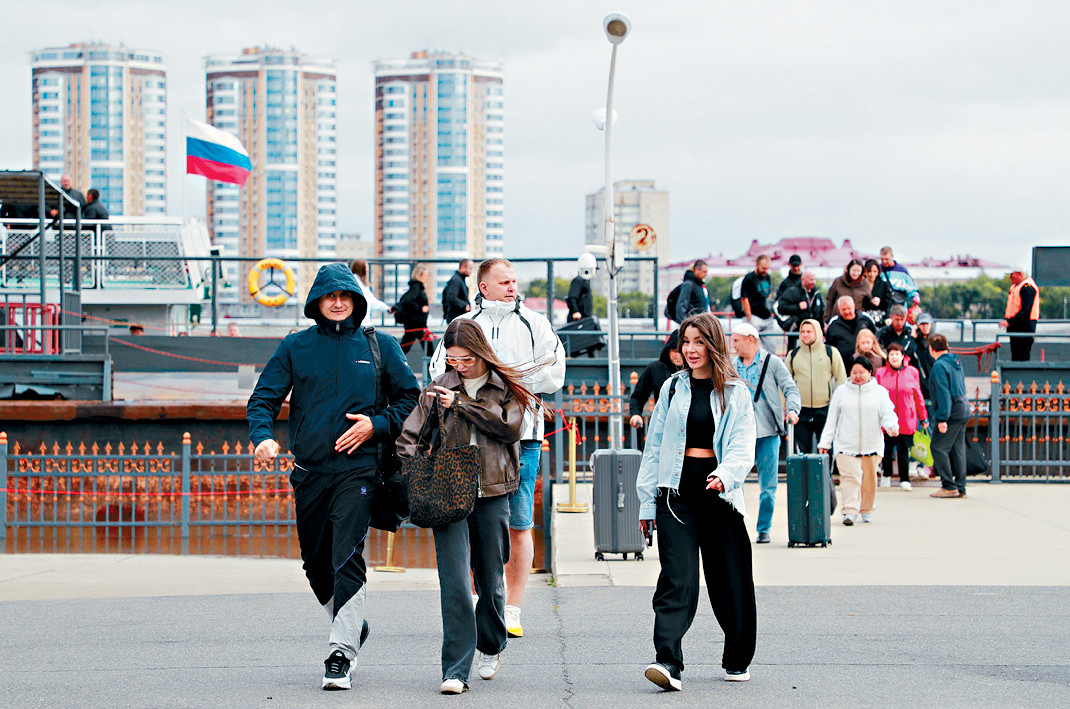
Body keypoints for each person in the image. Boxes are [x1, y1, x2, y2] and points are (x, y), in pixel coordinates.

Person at [247, 263, 420, 690]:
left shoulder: (380, 345)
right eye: (330, 297)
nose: (338, 303)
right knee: (315, 564)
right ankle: (351, 622)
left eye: (345, 297)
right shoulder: (295, 347)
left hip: (359, 471)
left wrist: (375, 425)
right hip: (309, 473)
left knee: (347, 555)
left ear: (357, 302)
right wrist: (262, 438)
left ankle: (340, 653)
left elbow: (411, 400)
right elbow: (263, 399)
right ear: (317, 303)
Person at [396, 319, 537, 695]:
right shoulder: (439, 386)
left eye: (467, 359)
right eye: (454, 360)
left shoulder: (503, 386)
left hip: (492, 491)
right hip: (446, 490)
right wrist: (412, 470)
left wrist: (461, 404)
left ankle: (491, 644)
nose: (461, 366)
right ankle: (455, 668)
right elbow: (410, 434)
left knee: (490, 578)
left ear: (481, 353)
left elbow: (509, 429)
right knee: (455, 581)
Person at [428, 257, 566, 639]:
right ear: (483, 286)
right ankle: (481, 600)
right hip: (469, 441)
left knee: (519, 523)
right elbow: (441, 370)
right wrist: (515, 376)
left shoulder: (536, 323)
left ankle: (512, 607)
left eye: (515, 281)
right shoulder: (464, 325)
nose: (512, 287)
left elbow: (556, 372)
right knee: (475, 525)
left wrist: (501, 377)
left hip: (524, 437)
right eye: (504, 282)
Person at [636, 313, 757, 690]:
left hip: (720, 495)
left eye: (699, 341)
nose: (690, 349)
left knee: (730, 581)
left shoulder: (736, 392)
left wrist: (727, 474)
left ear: (714, 344)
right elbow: (654, 448)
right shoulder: (672, 388)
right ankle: (668, 661)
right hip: (676, 495)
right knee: (678, 578)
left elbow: (742, 443)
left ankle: (737, 658)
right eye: (686, 341)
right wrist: (646, 503)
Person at [731, 322, 800, 544]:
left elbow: (790, 388)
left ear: (751, 339)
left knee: (768, 486)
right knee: (733, 482)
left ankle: (763, 528)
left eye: (737, 341)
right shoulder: (732, 366)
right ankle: (736, 525)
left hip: (767, 431)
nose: (734, 346)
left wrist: (792, 409)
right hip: (740, 433)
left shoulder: (772, 363)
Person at [818, 356, 899, 525]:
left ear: (870, 372)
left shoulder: (879, 392)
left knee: (869, 480)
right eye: (854, 372)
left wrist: (892, 426)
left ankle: (867, 509)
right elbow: (832, 418)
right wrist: (825, 442)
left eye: (862, 372)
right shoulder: (841, 392)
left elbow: (887, 413)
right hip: (846, 445)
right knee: (850, 479)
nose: (858, 376)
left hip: (872, 445)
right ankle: (849, 510)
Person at [786, 319, 847, 454]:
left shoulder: (831, 352)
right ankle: (803, 475)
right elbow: (784, 383)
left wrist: (838, 404)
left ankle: (826, 476)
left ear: (817, 333)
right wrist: (785, 406)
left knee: (825, 451)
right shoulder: (793, 354)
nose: (805, 335)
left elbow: (841, 379)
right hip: (800, 411)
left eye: (809, 331)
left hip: (825, 409)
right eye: (802, 332)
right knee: (801, 452)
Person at [875, 343, 928, 490]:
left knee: (904, 449)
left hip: (906, 417)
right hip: (887, 418)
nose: (894, 357)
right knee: (886, 448)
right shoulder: (880, 372)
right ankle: (886, 475)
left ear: (903, 356)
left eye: (897, 354)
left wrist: (923, 417)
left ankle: (905, 479)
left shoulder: (912, 372)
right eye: (891, 354)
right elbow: (876, 395)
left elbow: (918, 395)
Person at [927, 334, 969, 499]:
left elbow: (943, 393)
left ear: (931, 349)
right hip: (962, 408)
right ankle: (961, 486)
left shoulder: (939, 366)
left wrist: (942, 418)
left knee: (938, 447)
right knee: (958, 449)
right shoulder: (955, 362)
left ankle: (948, 485)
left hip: (951, 411)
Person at [629, 330, 683, 428]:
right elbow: (639, 396)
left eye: (681, 351)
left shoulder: (696, 370)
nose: (678, 356)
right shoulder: (655, 369)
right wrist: (636, 414)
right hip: (663, 424)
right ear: (668, 350)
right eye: (674, 351)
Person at [775, 270, 824, 350]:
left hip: (813, 334)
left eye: (814, 279)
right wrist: (797, 307)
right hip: (796, 332)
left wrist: (822, 330)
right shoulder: (792, 292)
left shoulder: (817, 294)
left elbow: (821, 314)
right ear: (803, 279)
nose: (813, 282)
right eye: (811, 279)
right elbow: (781, 308)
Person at [1000, 265, 1040, 362]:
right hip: (1016, 328)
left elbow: (1026, 311)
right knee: (1016, 356)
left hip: (1024, 329)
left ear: (1019, 274)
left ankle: (1023, 377)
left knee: (1022, 357)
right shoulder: (1016, 287)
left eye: (1011, 275)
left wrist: (1009, 321)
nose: (1010, 277)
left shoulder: (1027, 287)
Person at [740, 254, 779, 351]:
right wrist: (750, 317)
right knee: (751, 347)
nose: (765, 270)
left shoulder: (767, 277)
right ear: (757, 265)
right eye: (763, 268)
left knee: (771, 347)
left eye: (767, 268)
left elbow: (768, 294)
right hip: (754, 316)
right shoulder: (749, 278)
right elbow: (744, 299)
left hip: (766, 316)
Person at [825, 295, 876, 367]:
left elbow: (876, 339)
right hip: (843, 366)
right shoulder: (833, 325)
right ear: (839, 309)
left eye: (849, 308)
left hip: (867, 365)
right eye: (843, 309)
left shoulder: (865, 320)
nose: (847, 311)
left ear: (854, 306)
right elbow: (829, 347)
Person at [393, 264, 432, 353]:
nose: (426, 278)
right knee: (427, 348)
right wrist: (421, 308)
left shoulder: (416, 287)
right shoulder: (416, 288)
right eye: (425, 276)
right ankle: (433, 366)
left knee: (405, 346)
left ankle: (393, 362)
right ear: (419, 275)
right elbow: (409, 302)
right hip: (416, 324)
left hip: (416, 323)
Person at [823, 259, 870, 324]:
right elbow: (830, 300)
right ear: (849, 269)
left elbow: (867, 302)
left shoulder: (865, 283)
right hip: (838, 317)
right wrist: (827, 319)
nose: (856, 273)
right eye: (854, 270)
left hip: (856, 319)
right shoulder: (838, 281)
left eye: (858, 271)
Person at [349, 259, 391, 327]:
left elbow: (372, 301)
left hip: (360, 322)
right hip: (362, 323)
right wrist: (386, 308)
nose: (368, 270)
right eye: (366, 267)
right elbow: (371, 301)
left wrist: (386, 308)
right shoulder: (358, 284)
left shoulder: (357, 282)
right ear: (362, 269)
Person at [861, 259, 893, 325]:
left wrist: (880, 301)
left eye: (875, 271)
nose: (872, 274)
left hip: (880, 319)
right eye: (869, 271)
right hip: (864, 318)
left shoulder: (884, 285)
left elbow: (888, 304)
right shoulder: (860, 285)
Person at [912, 312, 936, 399]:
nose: (925, 327)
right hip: (919, 385)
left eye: (927, 324)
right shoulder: (915, 343)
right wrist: (912, 337)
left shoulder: (936, 342)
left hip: (935, 385)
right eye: (922, 324)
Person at [442, 259, 474, 323]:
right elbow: (451, 298)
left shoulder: (460, 280)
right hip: (456, 318)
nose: (471, 271)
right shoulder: (456, 280)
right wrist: (465, 305)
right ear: (463, 267)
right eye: (470, 268)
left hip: (458, 318)